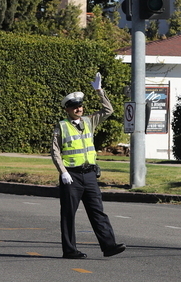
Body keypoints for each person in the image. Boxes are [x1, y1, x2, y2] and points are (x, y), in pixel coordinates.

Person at [51, 72, 126, 259]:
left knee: (97, 211)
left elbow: (108, 111)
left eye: (80, 106)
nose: (79, 109)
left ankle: (109, 246)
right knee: (69, 215)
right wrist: (63, 172)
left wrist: (99, 91)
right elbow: (55, 152)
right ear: (67, 109)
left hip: (90, 174)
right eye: (74, 107)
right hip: (72, 176)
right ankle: (70, 250)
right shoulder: (61, 126)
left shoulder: (89, 121)